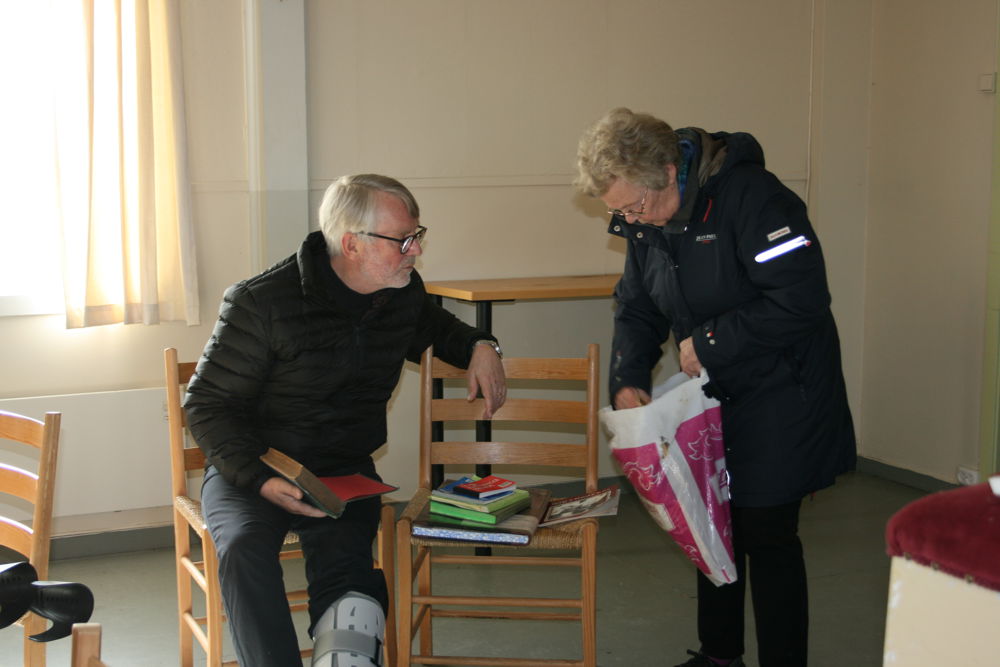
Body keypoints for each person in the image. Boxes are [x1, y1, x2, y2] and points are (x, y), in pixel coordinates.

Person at [183, 173, 507, 667]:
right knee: (245, 548)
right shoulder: (262, 302)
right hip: (252, 466)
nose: (415, 251)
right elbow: (206, 403)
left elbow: (438, 328)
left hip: (341, 470)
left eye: (418, 237)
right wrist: (259, 476)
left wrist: (483, 345)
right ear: (352, 243)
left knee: (349, 580)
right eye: (404, 240)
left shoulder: (399, 292)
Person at [575, 108, 856, 667]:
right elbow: (636, 305)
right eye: (621, 211)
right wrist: (627, 380)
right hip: (713, 393)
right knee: (711, 522)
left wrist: (709, 342)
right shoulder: (647, 218)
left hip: (784, 387)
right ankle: (718, 655)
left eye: (636, 206)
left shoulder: (756, 200)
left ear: (667, 171)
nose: (633, 220)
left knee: (767, 531)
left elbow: (801, 299)